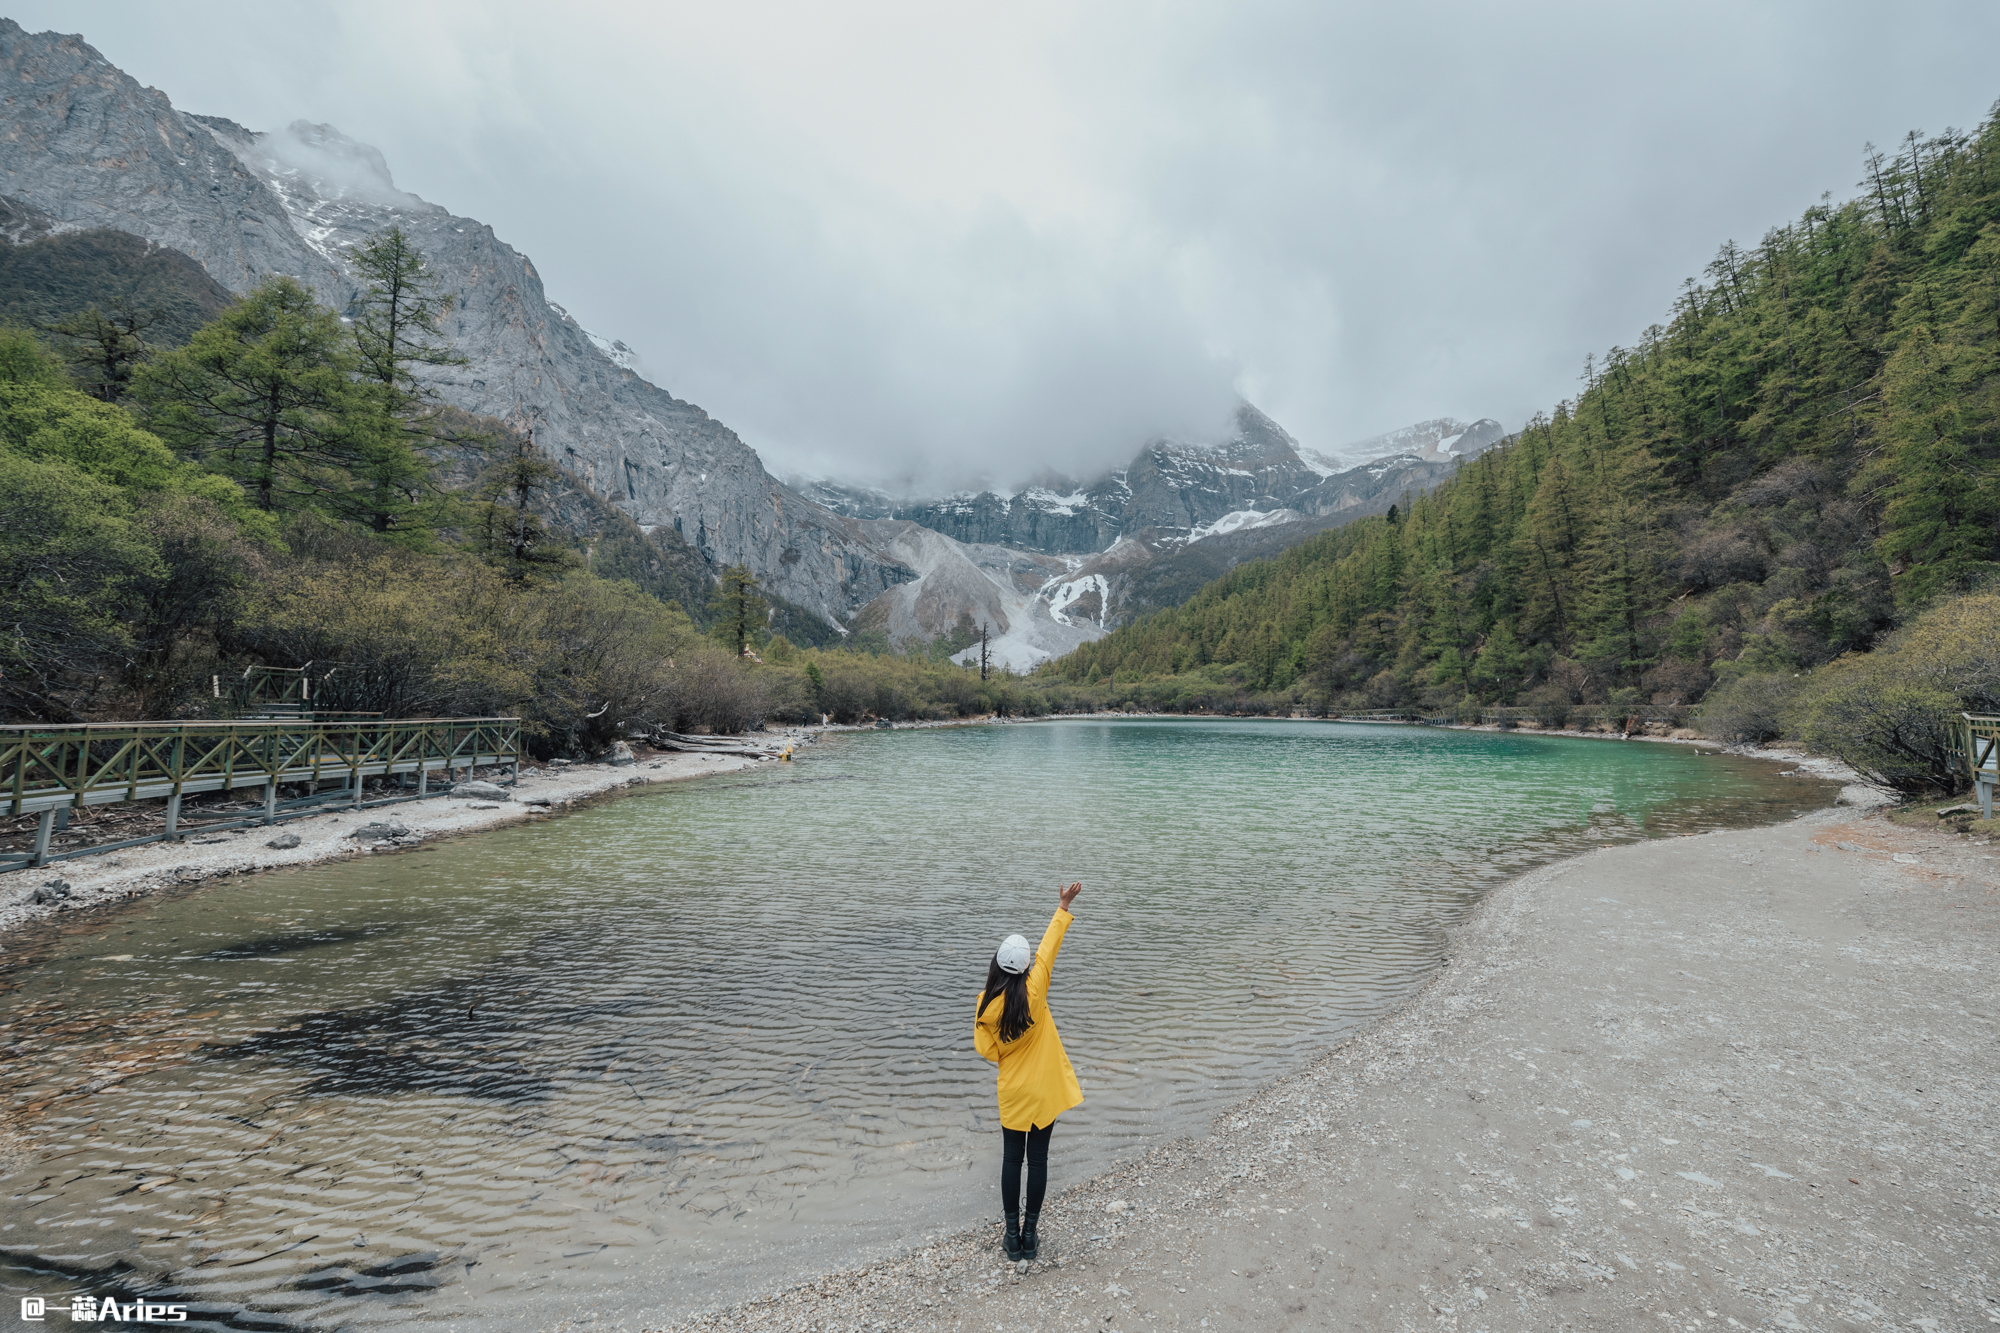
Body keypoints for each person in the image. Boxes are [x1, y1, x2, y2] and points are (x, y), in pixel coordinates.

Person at [974, 880, 1085, 1262]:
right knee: (1038, 1161)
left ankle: (1011, 1238)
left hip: (1014, 1091)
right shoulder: (1036, 989)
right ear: (1026, 968)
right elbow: (1048, 948)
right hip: (1044, 1090)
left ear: (996, 966)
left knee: (1012, 1160)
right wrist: (1063, 906)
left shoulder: (985, 1006)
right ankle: (1031, 1236)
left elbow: (987, 1051)